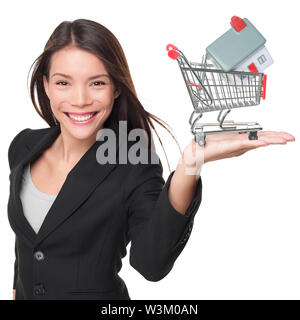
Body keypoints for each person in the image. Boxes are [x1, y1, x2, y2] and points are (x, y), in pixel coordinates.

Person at [8, 18, 295, 300]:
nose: (80, 99)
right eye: (63, 83)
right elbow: (30, 244)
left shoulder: (134, 164)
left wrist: (191, 163)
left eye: (96, 83)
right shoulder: (24, 147)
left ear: (115, 88)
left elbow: (150, 264)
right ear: (45, 85)